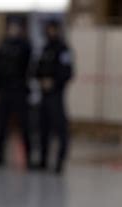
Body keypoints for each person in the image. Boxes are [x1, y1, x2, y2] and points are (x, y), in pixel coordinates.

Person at [0, 19, 32, 169]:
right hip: (4, 91)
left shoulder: (24, 45)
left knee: (24, 125)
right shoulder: (2, 45)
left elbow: (28, 67)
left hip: (19, 91)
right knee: (1, 125)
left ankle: (29, 156)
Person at [35, 20, 74, 174]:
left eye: (53, 29)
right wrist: (41, 80)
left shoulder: (63, 49)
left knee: (61, 129)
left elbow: (68, 72)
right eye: (48, 29)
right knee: (43, 128)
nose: (51, 32)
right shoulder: (45, 49)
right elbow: (36, 69)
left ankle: (60, 161)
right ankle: (43, 159)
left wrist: (54, 82)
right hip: (44, 95)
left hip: (56, 95)